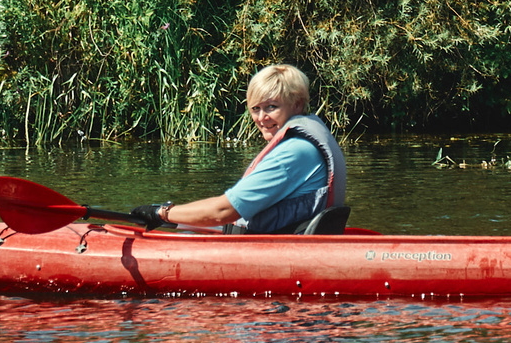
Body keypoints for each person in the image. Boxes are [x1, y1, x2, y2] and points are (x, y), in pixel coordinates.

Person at [129, 64, 348, 235]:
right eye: (255, 109)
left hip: (278, 248)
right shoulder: (306, 141)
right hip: (279, 238)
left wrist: (162, 213)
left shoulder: (296, 151)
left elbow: (223, 212)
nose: (261, 118)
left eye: (271, 107)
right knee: (177, 228)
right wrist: (174, 221)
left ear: (297, 105)